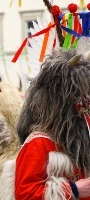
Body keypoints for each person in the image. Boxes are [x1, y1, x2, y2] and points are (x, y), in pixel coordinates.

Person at [11, 48, 90, 200]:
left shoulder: (83, 137)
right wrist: (72, 190)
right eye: (80, 95)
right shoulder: (38, 142)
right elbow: (25, 194)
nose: (86, 103)